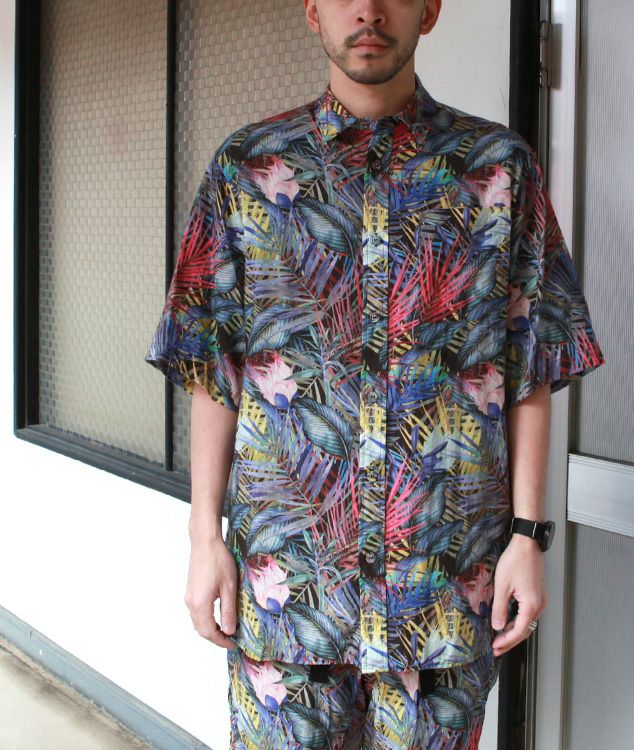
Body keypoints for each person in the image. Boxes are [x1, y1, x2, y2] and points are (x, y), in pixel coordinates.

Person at [145, 1, 605, 747]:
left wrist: (526, 536)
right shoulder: (247, 169)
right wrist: (205, 538)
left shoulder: (497, 169)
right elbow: (213, 367)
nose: (367, 10)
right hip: (289, 594)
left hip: (443, 591)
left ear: (430, 9)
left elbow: (533, 364)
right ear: (312, 11)